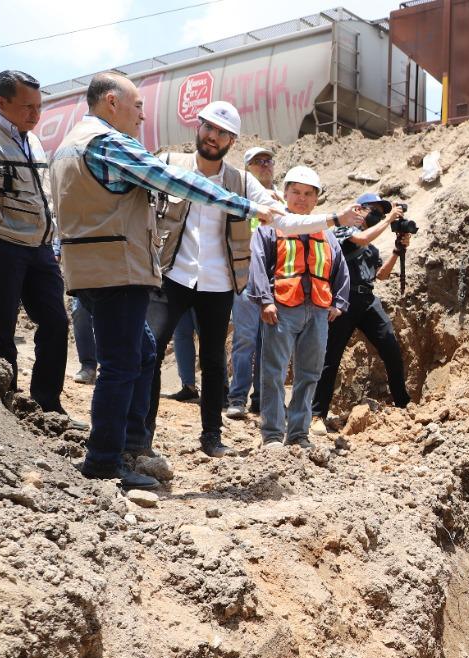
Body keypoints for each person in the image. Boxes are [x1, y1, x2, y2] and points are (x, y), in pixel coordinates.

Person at [49, 72, 276, 488]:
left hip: (92, 266)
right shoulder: (110, 143)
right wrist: (246, 205)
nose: (142, 117)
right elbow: (173, 182)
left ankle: (134, 443)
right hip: (119, 266)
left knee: (144, 352)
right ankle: (104, 459)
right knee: (120, 365)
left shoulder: (67, 144)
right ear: (112, 103)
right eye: (138, 108)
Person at [145, 101, 361, 457]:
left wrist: (335, 219)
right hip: (172, 275)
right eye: (209, 128)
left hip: (217, 283)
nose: (213, 137)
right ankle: (141, 437)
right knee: (150, 354)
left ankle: (212, 438)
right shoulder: (170, 163)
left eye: (222, 133)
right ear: (198, 127)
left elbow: (286, 222)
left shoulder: (242, 182)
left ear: (232, 141)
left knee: (215, 361)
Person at [0, 70, 70, 416]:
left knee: (55, 323)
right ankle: (3, 406)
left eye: (39, 107)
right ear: (0, 102)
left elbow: (42, 192)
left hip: (39, 246)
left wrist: (55, 241)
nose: (36, 115)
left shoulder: (32, 138)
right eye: (27, 108)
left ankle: (46, 404)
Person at [246, 166, 350, 449]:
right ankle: (272, 435)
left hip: (317, 309)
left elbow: (340, 268)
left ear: (316, 199)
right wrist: (265, 300)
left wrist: (339, 303)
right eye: (295, 193)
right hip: (281, 308)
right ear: (285, 194)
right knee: (274, 372)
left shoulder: (326, 234)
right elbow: (257, 263)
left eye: (307, 194)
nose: (301, 199)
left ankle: (299, 434)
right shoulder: (270, 227)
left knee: (309, 373)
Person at [313, 192, 412, 432]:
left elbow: (382, 275)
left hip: (367, 300)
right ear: (358, 209)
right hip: (342, 299)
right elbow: (360, 240)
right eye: (374, 210)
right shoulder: (345, 231)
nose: (378, 215)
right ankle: (317, 414)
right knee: (330, 357)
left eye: (382, 211)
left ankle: (403, 403)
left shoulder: (372, 250)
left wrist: (398, 250)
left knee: (390, 347)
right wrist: (389, 220)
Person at [226, 146, 279, 419]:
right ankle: (237, 398)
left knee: (269, 342)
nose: (264, 165)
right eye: (257, 161)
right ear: (247, 169)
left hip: (275, 280)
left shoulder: (284, 200)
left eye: (268, 160)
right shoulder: (240, 200)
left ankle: (262, 399)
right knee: (246, 339)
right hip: (246, 277)